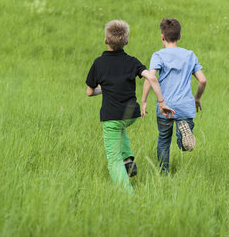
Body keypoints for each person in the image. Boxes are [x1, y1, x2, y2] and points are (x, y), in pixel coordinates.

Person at [86, 19, 175, 192]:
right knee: (121, 127)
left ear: (106, 41)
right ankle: (128, 160)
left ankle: (127, 195)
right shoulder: (132, 61)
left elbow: (90, 92)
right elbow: (151, 78)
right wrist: (161, 102)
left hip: (111, 116)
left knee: (113, 159)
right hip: (130, 114)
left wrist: (102, 90)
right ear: (126, 41)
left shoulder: (99, 63)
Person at [141, 18, 207, 174]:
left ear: (162, 36)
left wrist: (143, 101)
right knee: (183, 140)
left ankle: (163, 173)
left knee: (163, 140)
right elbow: (203, 80)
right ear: (180, 36)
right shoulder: (190, 55)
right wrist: (197, 98)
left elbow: (150, 79)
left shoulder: (158, 55)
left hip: (165, 106)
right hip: (185, 106)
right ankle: (183, 136)